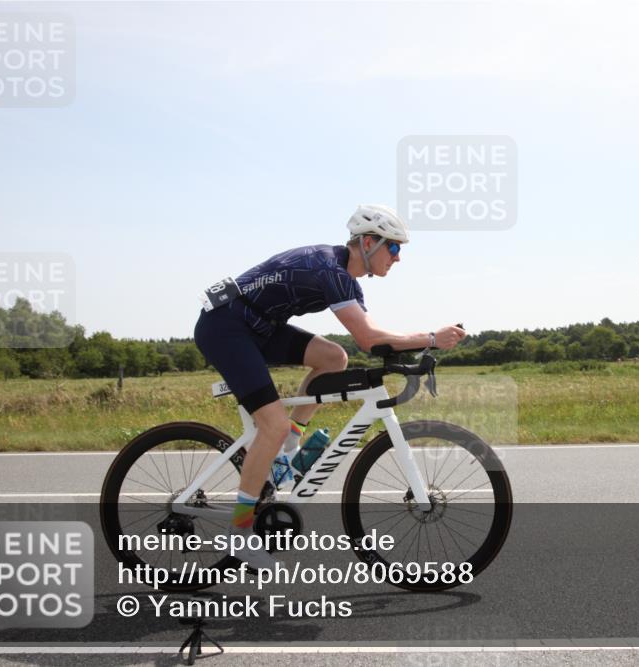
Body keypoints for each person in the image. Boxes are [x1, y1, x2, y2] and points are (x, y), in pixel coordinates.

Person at [193, 204, 467, 569]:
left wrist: (414, 351)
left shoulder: (345, 279)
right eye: (393, 247)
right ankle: (240, 533)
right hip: (225, 327)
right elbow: (369, 339)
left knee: (334, 358)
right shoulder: (329, 269)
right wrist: (431, 337)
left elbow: (375, 339)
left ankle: (288, 448)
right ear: (368, 243)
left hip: (258, 326)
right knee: (271, 425)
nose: (398, 257)